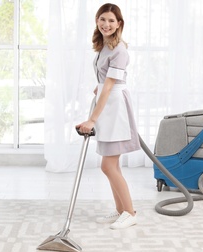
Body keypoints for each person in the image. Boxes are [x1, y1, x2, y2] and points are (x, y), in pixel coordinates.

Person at [76, 3, 141, 229]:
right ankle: (120, 210)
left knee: (108, 166)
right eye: (103, 19)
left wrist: (92, 119)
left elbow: (111, 85)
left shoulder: (120, 50)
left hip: (115, 108)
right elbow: (105, 81)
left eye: (112, 21)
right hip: (108, 102)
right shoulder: (104, 45)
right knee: (112, 165)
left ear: (119, 24)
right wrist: (100, 86)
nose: (106, 24)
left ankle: (130, 213)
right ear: (97, 20)